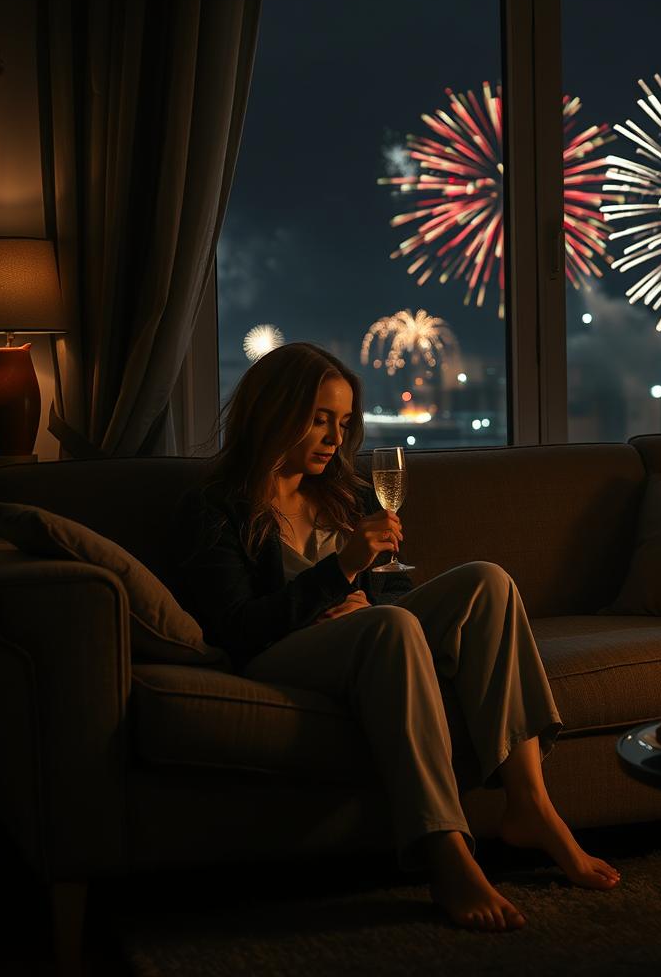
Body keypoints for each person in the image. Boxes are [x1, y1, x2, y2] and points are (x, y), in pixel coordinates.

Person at [172, 342, 621, 932]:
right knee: (390, 624)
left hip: (361, 637)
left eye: (344, 423)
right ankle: (444, 849)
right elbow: (234, 628)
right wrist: (339, 577)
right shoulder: (216, 508)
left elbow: (384, 595)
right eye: (319, 420)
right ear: (273, 412)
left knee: (487, 582)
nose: (335, 439)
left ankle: (531, 804)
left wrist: (358, 592)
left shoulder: (343, 494)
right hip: (276, 655)